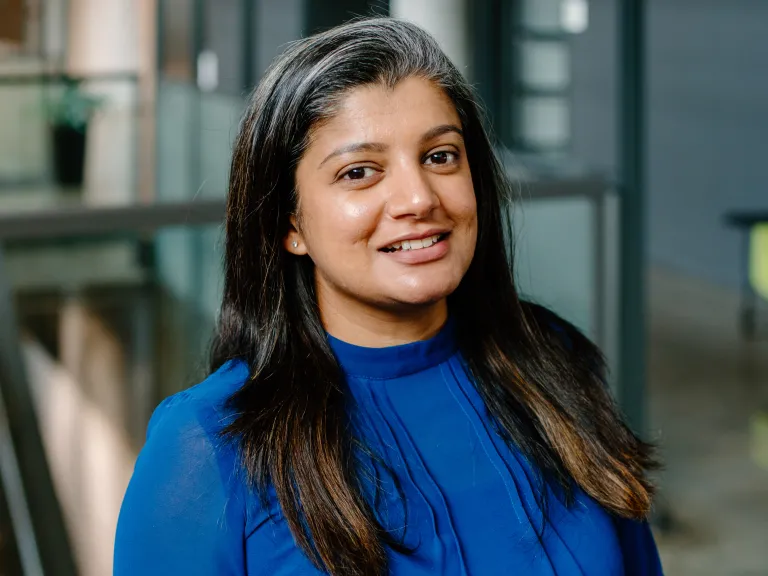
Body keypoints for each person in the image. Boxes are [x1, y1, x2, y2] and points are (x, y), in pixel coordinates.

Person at [114, 17, 663, 576]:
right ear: (290, 223)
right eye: (359, 171)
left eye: (440, 156)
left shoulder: (553, 361)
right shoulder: (206, 448)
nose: (418, 197)